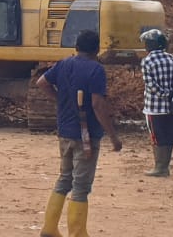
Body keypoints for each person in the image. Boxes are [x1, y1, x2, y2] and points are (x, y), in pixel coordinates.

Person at [36, 30, 122, 237]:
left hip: (65, 131)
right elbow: (98, 105)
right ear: (97, 49)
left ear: (76, 47)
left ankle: (49, 228)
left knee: (64, 178)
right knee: (81, 186)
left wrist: (60, 101)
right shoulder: (96, 70)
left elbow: (42, 83)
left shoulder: (64, 63)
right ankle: (77, 233)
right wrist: (113, 136)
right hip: (87, 135)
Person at [139, 29, 173, 177]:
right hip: (170, 107)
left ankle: (159, 167)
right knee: (169, 137)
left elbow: (150, 85)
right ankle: (165, 166)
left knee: (156, 138)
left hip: (154, 107)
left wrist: (163, 94)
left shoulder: (147, 61)